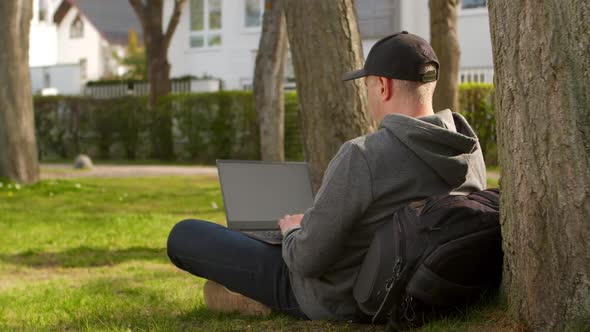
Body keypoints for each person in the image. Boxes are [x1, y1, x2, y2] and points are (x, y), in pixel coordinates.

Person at [166, 31, 486, 322]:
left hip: (334, 298)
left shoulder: (363, 154)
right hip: (413, 286)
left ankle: (251, 296)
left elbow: (306, 261)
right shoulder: (467, 148)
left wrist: (293, 231)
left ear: (383, 86)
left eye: (368, 86)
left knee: (185, 235)